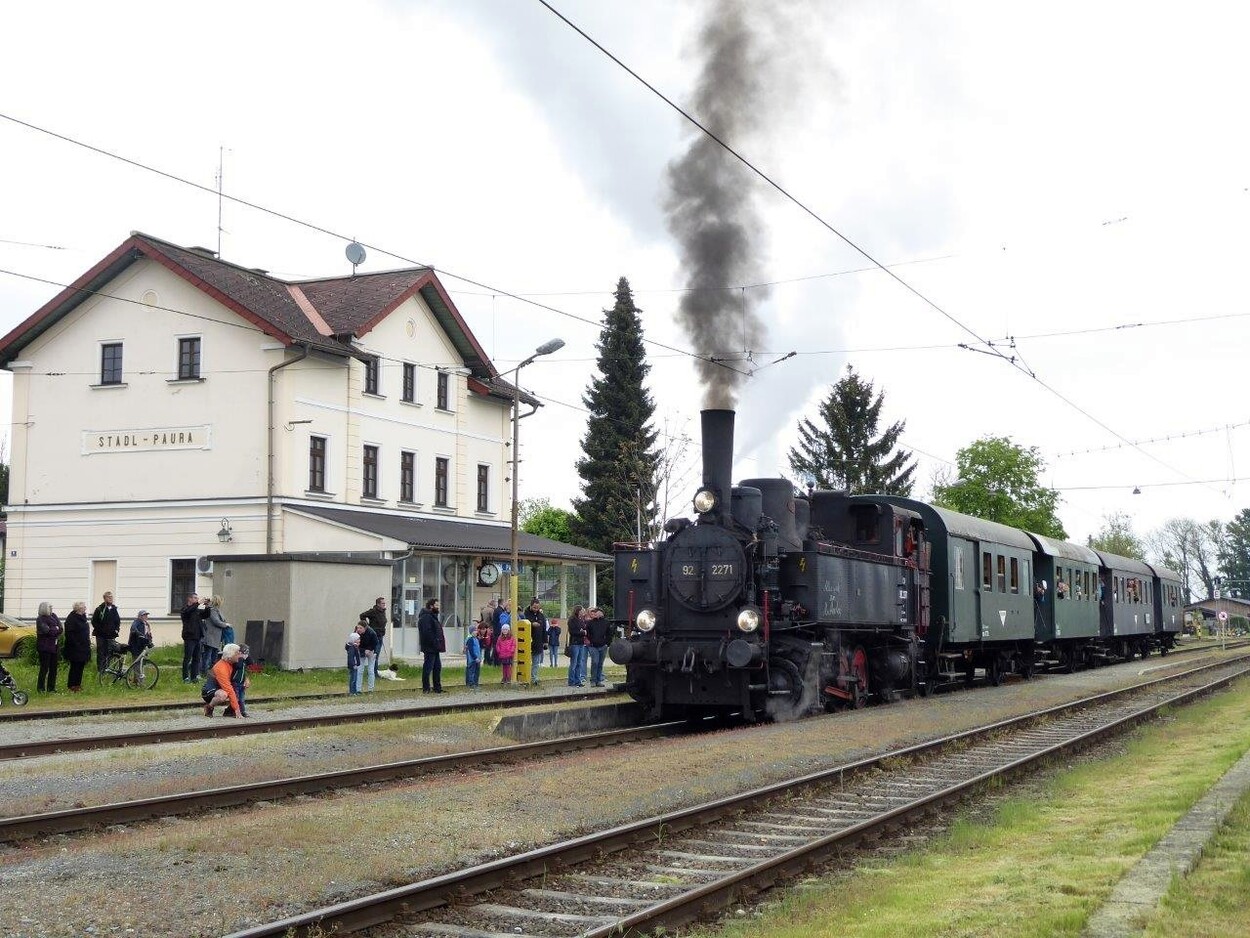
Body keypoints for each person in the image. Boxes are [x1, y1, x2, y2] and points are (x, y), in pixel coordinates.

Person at [202, 643, 245, 717]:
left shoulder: (232, 662)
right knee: (223, 695)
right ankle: (209, 707)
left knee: (239, 687)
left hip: (221, 688)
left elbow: (240, 673)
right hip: (210, 691)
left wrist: (245, 680)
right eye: (237, 653)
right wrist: (237, 709)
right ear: (230, 656)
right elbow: (228, 689)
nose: (240, 655)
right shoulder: (221, 668)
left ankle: (229, 711)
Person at [63, 601, 92, 692]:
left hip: (84, 646)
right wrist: (77, 644)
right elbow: (70, 634)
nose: (85, 609)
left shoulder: (83, 617)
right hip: (75, 647)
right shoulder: (71, 618)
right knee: (75, 667)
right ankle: (72, 685)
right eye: (84, 607)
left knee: (81, 666)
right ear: (79, 609)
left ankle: (77, 684)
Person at [417, 598, 445, 694]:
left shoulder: (432, 616)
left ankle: (437, 687)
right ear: (431, 606)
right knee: (428, 667)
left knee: (437, 667)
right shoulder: (426, 617)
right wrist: (435, 642)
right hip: (430, 647)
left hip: (435, 647)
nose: (438, 607)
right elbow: (427, 632)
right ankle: (426, 688)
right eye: (437, 605)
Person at [36, 601, 63, 693]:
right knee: (44, 668)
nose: (52, 609)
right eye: (50, 607)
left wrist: (54, 629)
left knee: (53, 668)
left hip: (54, 646)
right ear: (45, 609)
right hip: (45, 647)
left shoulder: (54, 616)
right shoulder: (40, 619)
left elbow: (61, 628)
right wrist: (55, 628)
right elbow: (46, 631)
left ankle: (51, 688)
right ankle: (40, 688)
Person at [91, 590, 121, 674]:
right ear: (104, 598)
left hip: (111, 636)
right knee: (101, 653)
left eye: (111, 597)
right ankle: (101, 671)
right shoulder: (99, 609)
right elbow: (94, 622)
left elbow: (117, 621)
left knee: (109, 652)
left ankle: (108, 670)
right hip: (101, 635)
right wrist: (102, 630)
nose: (111, 598)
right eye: (109, 597)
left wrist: (116, 629)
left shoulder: (114, 609)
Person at [180, 593, 205, 683]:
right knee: (187, 657)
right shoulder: (185, 609)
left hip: (197, 637)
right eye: (195, 598)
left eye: (197, 598)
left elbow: (206, 615)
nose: (196, 600)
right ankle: (185, 677)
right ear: (189, 599)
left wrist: (207, 605)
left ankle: (194, 677)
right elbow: (188, 611)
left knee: (196, 658)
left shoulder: (196, 610)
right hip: (189, 637)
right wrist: (198, 603)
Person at [200, 596, 230, 673]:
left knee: (213, 656)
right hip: (211, 636)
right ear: (218, 602)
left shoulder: (216, 610)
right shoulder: (212, 610)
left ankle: (212, 672)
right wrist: (226, 625)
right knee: (208, 655)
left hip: (215, 637)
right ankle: (205, 672)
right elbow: (216, 621)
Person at [586, 607, 613, 687]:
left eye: (597, 612)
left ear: (601, 613)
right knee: (595, 662)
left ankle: (598, 680)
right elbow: (588, 633)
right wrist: (590, 641)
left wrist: (607, 643)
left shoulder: (606, 622)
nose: (595, 614)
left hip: (603, 646)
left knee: (600, 664)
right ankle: (593, 680)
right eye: (594, 612)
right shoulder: (590, 623)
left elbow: (609, 634)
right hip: (593, 646)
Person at [360, 596, 388, 676]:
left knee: (376, 654)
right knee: (375, 655)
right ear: (378, 604)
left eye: (384, 603)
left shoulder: (383, 611)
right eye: (383, 603)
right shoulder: (373, 611)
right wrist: (367, 626)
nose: (384, 605)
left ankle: (374, 672)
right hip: (375, 636)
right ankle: (373, 673)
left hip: (381, 635)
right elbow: (362, 615)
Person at [525, 599, 548, 685]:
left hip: (538, 642)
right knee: (526, 661)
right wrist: (531, 624)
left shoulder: (541, 615)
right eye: (534, 607)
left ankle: (534, 678)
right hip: (527, 641)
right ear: (531, 606)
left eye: (537, 607)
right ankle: (525, 678)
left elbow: (544, 629)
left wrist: (545, 641)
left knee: (536, 662)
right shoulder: (525, 614)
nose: (536, 609)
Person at [566, 605, 587, 687]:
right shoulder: (572, 620)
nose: (584, 612)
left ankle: (578, 681)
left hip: (581, 643)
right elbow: (573, 632)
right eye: (582, 610)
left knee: (579, 663)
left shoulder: (581, 620)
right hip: (574, 643)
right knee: (573, 663)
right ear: (578, 611)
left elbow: (583, 629)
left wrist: (582, 631)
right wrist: (582, 632)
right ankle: (571, 681)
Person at [355, 618, 378, 692]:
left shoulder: (372, 633)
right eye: (357, 627)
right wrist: (363, 650)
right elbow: (354, 644)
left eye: (360, 628)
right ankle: (358, 690)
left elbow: (376, 643)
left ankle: (370, 689)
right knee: (360, 670)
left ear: (365, 628)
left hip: (371, 651)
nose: (358, 629)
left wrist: (374, 652)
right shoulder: (356, 633)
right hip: (361, 651)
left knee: (371, 670)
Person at [230, 644, 252, 716]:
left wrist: (247, 656)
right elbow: (238, 666)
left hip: (242, 683)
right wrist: (240, 657)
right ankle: (235, 711)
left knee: (241, 698)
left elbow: (251, 662)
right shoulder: (237, 660)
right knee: (236, 698)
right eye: (244, 653)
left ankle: (243, 711)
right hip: (235, 682)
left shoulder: (244, 661)